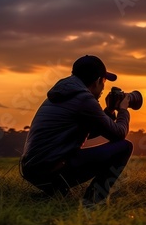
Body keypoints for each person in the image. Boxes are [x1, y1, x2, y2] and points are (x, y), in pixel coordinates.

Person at [19, 55, 133, 206]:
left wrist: (110, 111)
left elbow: (89, 132)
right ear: (98, 80)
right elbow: (118, 134)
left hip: (32, 169)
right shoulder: (84, 99)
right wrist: (123, 109)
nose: (103, 88)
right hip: (50, 169)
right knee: (124, 147)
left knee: (61, 195)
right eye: (104, 82)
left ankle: (55, 192)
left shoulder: (62, 93)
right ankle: (92, 201)